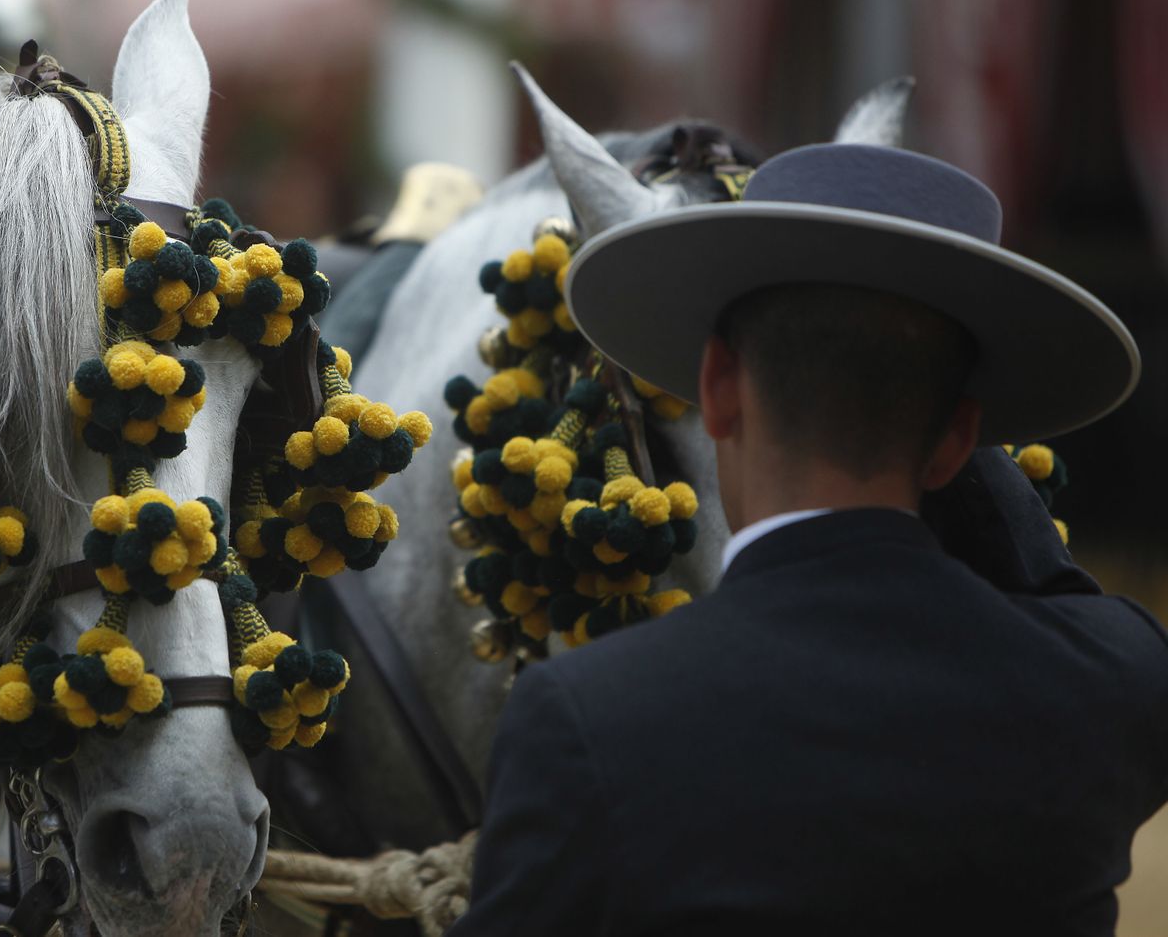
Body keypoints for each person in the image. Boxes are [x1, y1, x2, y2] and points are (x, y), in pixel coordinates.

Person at [451, 143, 1168, 936]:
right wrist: (948, 428)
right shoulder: (1110, 690)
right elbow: (1084, 620)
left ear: (718, 387)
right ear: (962, 443)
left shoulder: (587, 721)